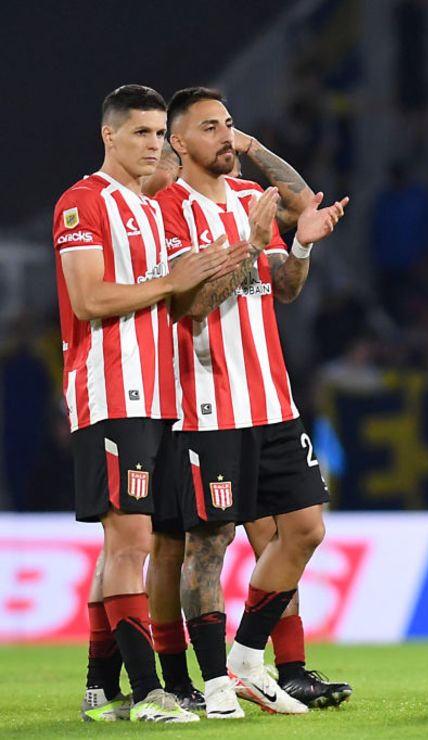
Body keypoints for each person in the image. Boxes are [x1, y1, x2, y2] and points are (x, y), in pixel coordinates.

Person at [154, 86, 348, 718]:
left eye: (229, 124)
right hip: (207, 409)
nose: (226, 136)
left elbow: (285, 285)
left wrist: (298, 243)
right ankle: (213, 685)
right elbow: (191, 307)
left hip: (273, 403)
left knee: (306, 529)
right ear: (178, 143)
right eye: (211, 128)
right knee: (209, 545)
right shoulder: (171, 210)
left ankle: (246, 657)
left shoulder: (245, 195)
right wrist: (250, 242)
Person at [57, 84, 236, 723]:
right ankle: (147, 691)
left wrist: (218, 273)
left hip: (163, 397)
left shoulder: (153, 211)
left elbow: (175, 302)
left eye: (160, 134)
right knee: (129, 540)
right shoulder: (82, 204)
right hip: (111, 388)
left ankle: (101, 690)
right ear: (109, 135)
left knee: (131, 545)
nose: (154, 145)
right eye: (141, 133)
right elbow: (89, 301)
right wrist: (172, 281)